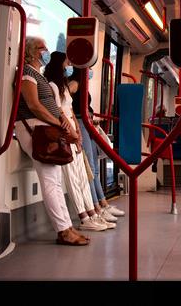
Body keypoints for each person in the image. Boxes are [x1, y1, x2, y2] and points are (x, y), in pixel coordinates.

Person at [14, 36, 89, 246]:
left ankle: (66, 227)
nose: (46, 51)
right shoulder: (27, 73)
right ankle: (63, 230)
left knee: (55, 180)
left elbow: (54, 106)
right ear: (32, 51)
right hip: (34, 128)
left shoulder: (39, 75)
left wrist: (62, 121)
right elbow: (34, 105)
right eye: (42, 48)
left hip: (45, 127)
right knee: (50, 180)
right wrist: (58, 123)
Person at [45, 52, 115, 232]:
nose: (90, 71)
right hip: (74, 127)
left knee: (89, 171)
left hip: (80, 125)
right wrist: (73, 129)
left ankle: (97, 208)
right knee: (85, 170)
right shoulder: (69, 84)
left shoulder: (68, 86)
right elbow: (62, 109)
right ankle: (89, 213)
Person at [69, 67, 125, 222]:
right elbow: (64, 100)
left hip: (87, 124)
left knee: (95, 170)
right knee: (90, 169)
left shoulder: (82, 84)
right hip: (80, 123)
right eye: (89, 69)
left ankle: (103, 203)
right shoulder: (75, 83)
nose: (91, 71)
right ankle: (95, 208)